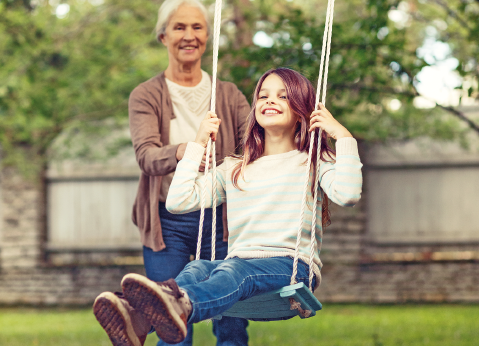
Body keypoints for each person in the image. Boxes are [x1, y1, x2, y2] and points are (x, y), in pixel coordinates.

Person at [117, 67, 363, 344]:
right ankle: (138, 318)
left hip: (290, 268)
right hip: (240, 265)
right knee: (198, 269)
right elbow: (178, 201)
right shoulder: (235, 167)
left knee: (232, 270)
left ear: (302, 111)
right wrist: (197, 145)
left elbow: (348, 194)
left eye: (283, 96)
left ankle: (180, 307)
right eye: (263, 96)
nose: (270, 101)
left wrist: (343, 137)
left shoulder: (315, 160)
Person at [92, 0, 250, 345]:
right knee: (170, 323)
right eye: (179, 27)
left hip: (221, 218)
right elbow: (146, 156)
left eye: (197, 27)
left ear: (208, 36)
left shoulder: (229, 95)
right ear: (163, 36)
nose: (189, 36)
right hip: (168, 220)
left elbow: (252, 148)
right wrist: (184, 151)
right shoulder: (146, 95)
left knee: (232, 320)